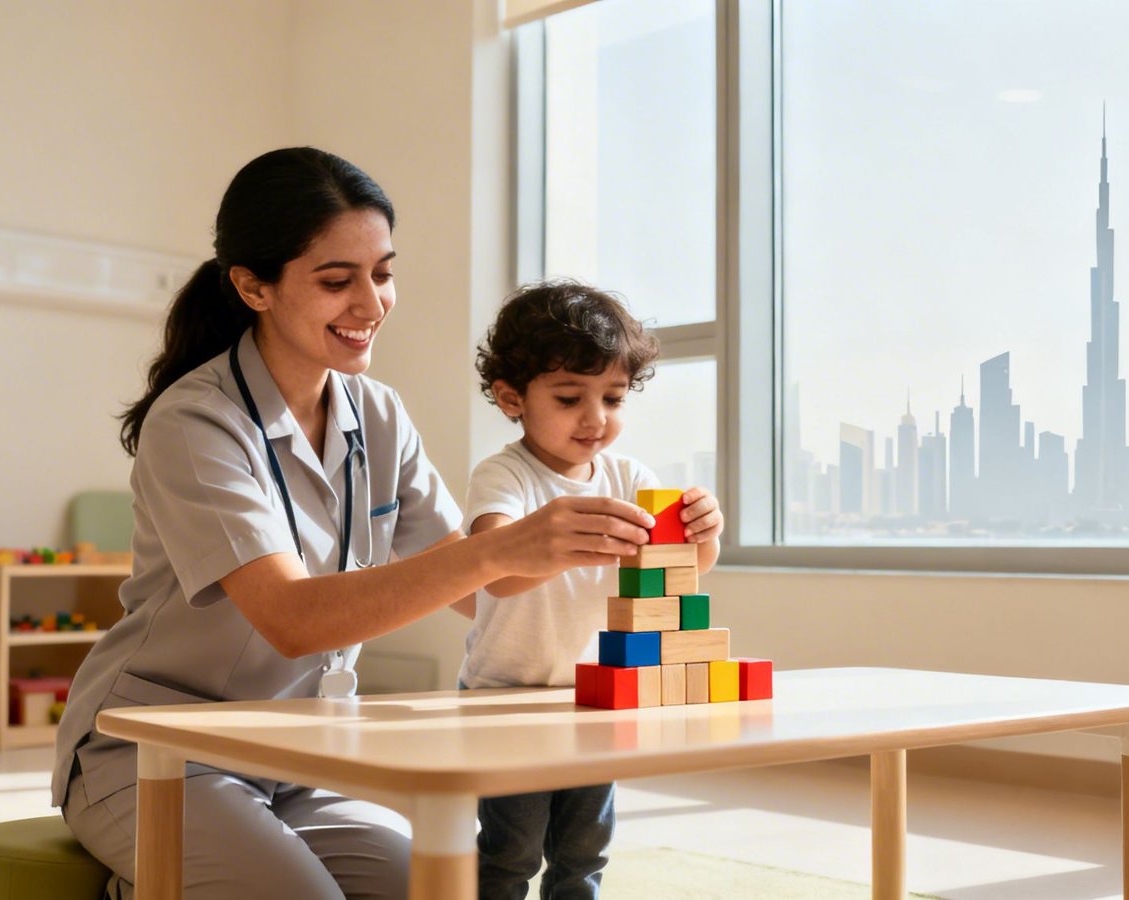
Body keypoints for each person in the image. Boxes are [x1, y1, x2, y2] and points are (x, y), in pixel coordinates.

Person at [51, 148, 655, 900]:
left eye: (383, 273)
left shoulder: (378, 413)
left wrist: (594, 543)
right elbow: (293, 618)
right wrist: (503, 547)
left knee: (445, 889)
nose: (371, 305)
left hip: (299, 756)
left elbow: (477, 587)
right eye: (338, 281)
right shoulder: (196, 421)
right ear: (252, 286)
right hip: (158, 753)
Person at [454, 280, 724, 899]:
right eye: (571, 396)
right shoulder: (504, 475)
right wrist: (563, 544)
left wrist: (704, 531)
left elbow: (680, 571)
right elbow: (495, 567)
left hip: (598, 696)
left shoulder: (630, 476)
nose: (596, 418)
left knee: (584, 853)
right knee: (510, 853)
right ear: (511, 397)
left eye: (613, 397)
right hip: (506, 694)